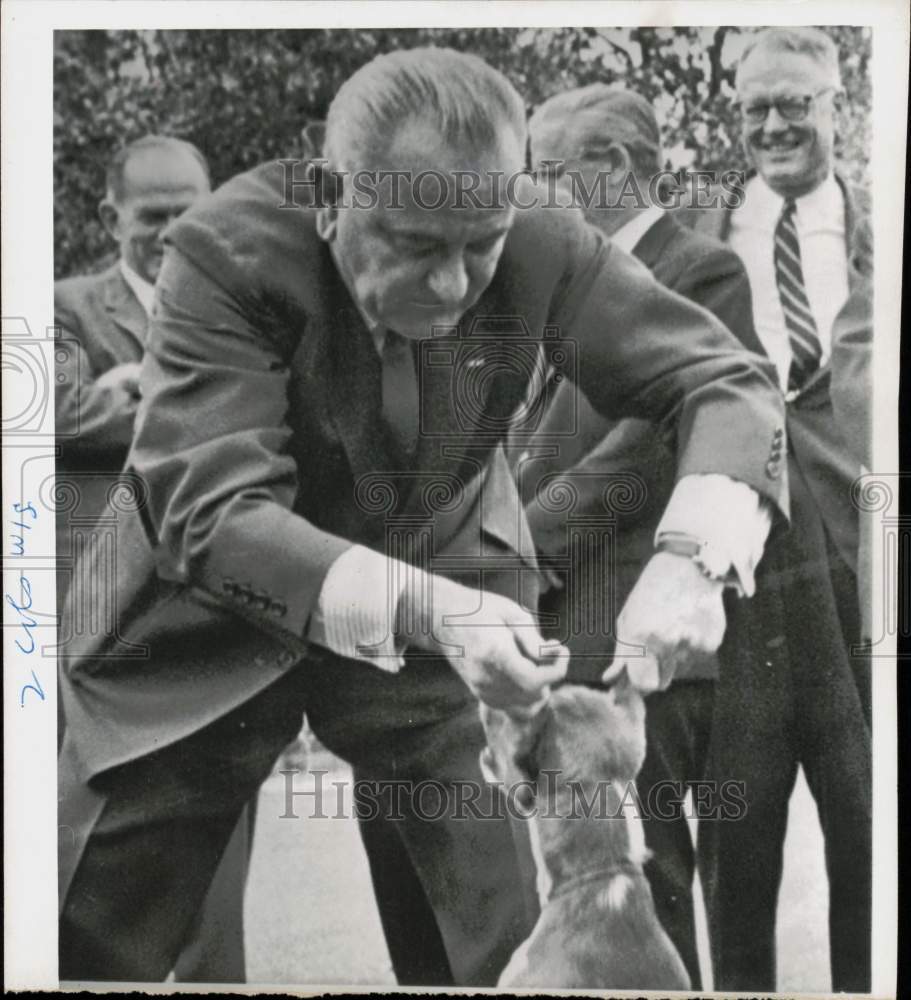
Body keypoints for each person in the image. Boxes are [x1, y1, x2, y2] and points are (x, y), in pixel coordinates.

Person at [57, 47, 787, 984]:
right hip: (203, 620)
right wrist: (433, 610)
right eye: (413, 246)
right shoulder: (221, 250)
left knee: (521, 939)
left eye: (478, 246)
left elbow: (723, 378)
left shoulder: (541, 240)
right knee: (78, 934)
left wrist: (697, 561)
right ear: (329, 196)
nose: (452, 288)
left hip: (456, 599)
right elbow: (214, 511)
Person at [521, 83, 765, 989]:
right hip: (558, 631)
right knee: (580, 909)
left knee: (646, 898)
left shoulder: (698, 269)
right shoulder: (552, 279)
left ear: (614, 167)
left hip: (636, 640)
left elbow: (653, 442)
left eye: (547, 172)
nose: (531, 195)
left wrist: (519, 538)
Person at [679, 27, 872, 991]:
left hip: (864, 578)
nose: (771, 124)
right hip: (741, 577)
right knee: (736, 846)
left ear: (837, 104)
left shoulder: (886, 225)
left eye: (793, 103)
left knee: (869, 840)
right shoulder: (696, 237)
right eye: (753, 106)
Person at [54, 135, 255, 983]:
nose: (174, 232)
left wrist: (131, 387)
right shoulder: (63, 306)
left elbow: (256, 425)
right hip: (99, 617)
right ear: (111, 218)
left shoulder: (246, 303)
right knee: (89, 852)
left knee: (217, 868)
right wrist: (162, 401)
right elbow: (47, 416)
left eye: (191, 212)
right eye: (153, 216)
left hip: (214, 618)